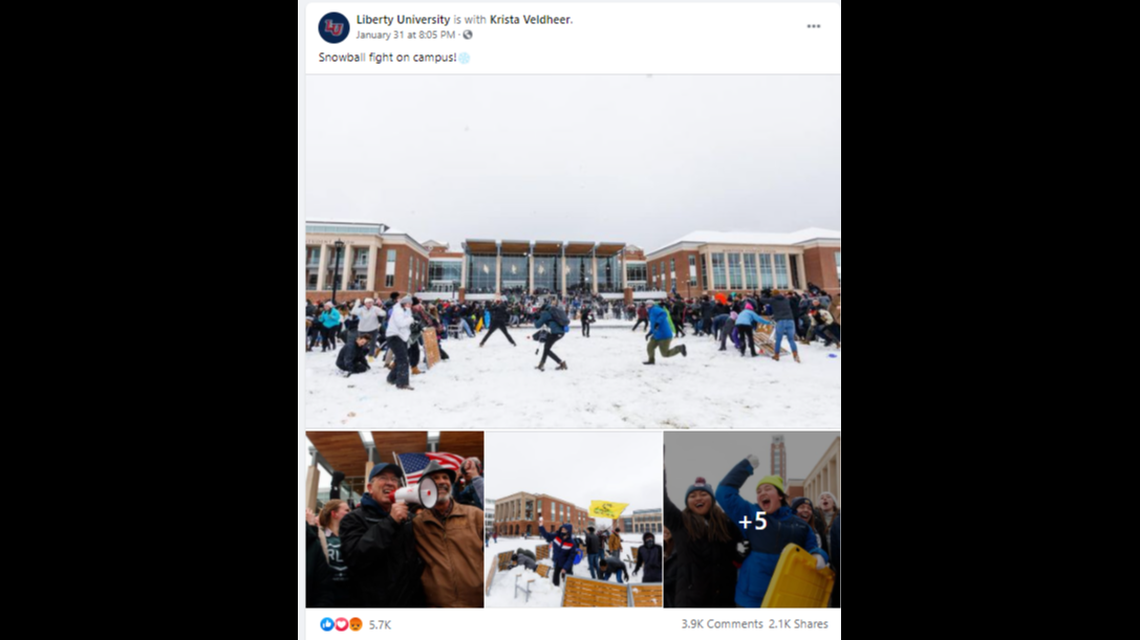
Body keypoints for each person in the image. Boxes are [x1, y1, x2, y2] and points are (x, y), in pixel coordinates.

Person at [715, 456, 828, 607]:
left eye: (768, 489)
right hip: (751, 601)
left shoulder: (800, 525)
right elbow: (724, 493)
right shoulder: (751, 517)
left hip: (786, 598)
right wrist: (745, 467)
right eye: (759, 491)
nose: (762, 493)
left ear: (780, 495)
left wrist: (819, 555)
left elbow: (812, 548)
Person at [338, 463, 425, 607]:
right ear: (370, 488)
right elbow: (355, 557)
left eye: (394, 479)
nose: (390, 483)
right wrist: (390, 522)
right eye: (383, 478)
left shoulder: (409, 518)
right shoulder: (353, 519)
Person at [663, 470, 741, 607]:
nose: (698, 498)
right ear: (687, 502)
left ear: (712, 499)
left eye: (704, 494)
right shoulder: (680, 522)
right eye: (692, 496)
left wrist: (742, 551)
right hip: (690, 602)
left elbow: (740, 545)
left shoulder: (727, 522)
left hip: (724, 600)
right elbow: (662, 499)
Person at [412, 460, 484, 607]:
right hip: (437, 606)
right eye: (434, 479)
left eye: (445, 477)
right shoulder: (416, 524)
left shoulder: (476, 515)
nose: (441, 481)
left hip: (477, 603)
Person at [759, 290, 800, 363]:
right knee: (791, 340)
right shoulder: (786, 299)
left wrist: (764, 294)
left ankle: (776, 355)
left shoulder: (773, 300)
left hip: (780, 321)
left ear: (773, 294)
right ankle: (795, 355)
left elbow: (762, 300)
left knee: (778, 339)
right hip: (790, 320)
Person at [537, 517, 578, 587]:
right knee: (555, 580)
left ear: (568, 531)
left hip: (566, 565)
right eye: (562, 529)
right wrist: (541, 526)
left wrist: (565, 568)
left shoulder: (572, 543)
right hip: (558, 562)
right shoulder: (557, 537)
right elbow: (546, 535)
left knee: (569, 582)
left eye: (564, 530)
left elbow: (571, 557)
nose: (562, 531)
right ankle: (555, 591)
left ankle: (569, 592)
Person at [385, 296, 415, 390]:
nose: (410, 305)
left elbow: (406, 322)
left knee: (400, 359)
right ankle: (402, 383)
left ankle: (391, 378)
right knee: (403, 360)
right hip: (394, 336)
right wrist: (411, 319)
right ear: (404, 303)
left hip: (401, 337)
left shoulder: (405, 310)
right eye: (408, 303)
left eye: (411, 304)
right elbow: (401, 323)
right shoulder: (398, 311)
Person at [644, 301, 687, 365]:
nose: (647, 305)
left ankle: (680, 348)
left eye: (649, 304)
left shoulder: (655, 309)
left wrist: (658, 322)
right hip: (656, 335)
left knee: (665, 354)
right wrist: (649, 333)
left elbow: (664, 314)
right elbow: (654, 325)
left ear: (652, 304)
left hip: (664, 336)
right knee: (650, 347)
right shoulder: (650, 312)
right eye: (646, 304)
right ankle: (651, 360)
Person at [533, 301, 568, 371]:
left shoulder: (545, 313)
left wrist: (535, 318)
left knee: (547, 348)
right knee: (546, 347)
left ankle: (562, 363)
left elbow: (537, 325)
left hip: (556, 333)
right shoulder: (553, 310)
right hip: (559, 332)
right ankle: (541, 364)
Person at [662, 526, 677, 607]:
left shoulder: (680, 548)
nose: (664, 530)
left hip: (673, 598)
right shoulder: (662, 547)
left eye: (667, 526)